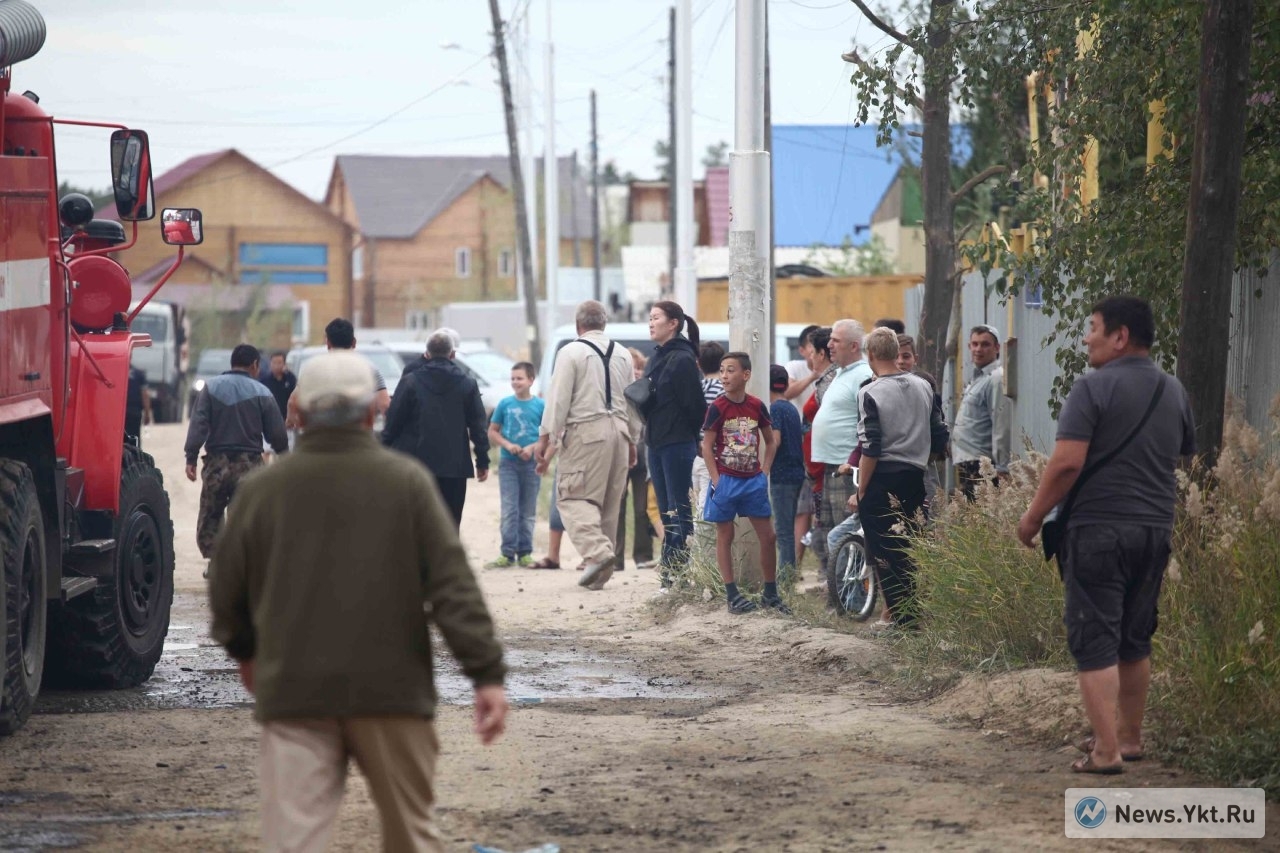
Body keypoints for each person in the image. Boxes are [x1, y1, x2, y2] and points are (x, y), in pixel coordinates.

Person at [208, 351, 508, 852]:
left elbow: (226, 586)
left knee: (295, 840)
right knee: (412, 836)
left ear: (297, 412)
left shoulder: (262, 490)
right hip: (391, 692)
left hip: (293, 693)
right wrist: (486, 674)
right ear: (373, 413)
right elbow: (453, 587)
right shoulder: (406, 483)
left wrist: (246, 650)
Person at [1017, 296, 1195, 775]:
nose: (1086, 336)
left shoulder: (1091, 388)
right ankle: (1130, 740)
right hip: (1155, 528)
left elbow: (1067, 462)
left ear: (1119, 336)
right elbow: (1180, 455)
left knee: (1094, 639)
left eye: (1092, 327)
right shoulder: (1173, 390)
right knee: (1134, 639)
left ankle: (1105, 751)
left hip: (1098, 530)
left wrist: (1033, 518)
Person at [536, 300, 640, 591]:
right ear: (603, 323)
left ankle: (598, 553)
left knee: (573, 497)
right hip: (619, 432)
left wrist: (546, 438)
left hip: (585, 432)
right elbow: (631, 400)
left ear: (578, 325)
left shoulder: (570, 352)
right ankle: (599, 576)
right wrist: (632, 439)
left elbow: (558, 400)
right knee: (608, 503)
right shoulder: (622, 353)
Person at [853, 327, 949, 627]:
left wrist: (861, 490)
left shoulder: (869, 392)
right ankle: (913, 612)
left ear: (870, 355)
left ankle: (900, 617)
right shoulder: (923, 386)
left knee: (884, 549)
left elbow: (871, 446)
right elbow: (939, 432)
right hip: (916, 475)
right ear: (897, 353)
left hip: (883, 475)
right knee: (911, 545)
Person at [184, 344, 288, 565]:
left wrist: (191, 457)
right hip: (249, 466)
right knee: (247, 516)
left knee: (211, 516)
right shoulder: (262, 392)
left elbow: (198, 425)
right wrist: (284, 455)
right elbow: (277, 433)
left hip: (216, 464)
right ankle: (244, 563)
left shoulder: (210, 389)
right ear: (254, 365)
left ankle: (216, 562)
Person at [700, 352, 786, 615]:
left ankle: (770, 592)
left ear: (746, 375)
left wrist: (765, 471)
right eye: (722, 370)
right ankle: (732, 594)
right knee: (725, 535)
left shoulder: (757, 406)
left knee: (768, 536)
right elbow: (707, 446)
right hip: (727, 481)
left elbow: (771, 441)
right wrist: (717, 480)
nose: (724, 376)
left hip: (752, 481)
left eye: (731, 370)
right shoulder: (717, 407)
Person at [382, 331, 489, 527]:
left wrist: (383, 454)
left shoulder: (411, 381)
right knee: (450, 524)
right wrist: (482, 460)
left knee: (415, 523)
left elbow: (393, 422)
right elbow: (478, 425)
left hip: (416, 465)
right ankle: (445, 558)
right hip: (454, 466)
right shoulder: (467, 384)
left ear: (427, 353)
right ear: (452, 354)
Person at [641, 300, 707, 583]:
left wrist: (695, 438)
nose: (651, 322)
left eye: (656, 318)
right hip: (655, 441)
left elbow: (695, 406)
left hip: (677, 442)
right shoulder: (658, 355)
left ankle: (677, 573)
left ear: (673, 324)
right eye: (650, 318)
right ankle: (671, 573)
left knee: (679, 509)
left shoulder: (682, 359)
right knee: (666, 509)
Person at [809, 319, 874, 595]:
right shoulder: (841, 373)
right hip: (832, 464)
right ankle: (841, 593)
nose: (829, 344)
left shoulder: (862, 375)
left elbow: (867, 422)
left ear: (854, 345)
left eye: (835, 340)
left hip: (848, 466)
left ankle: (853, 596)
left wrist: (854, 460)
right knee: (832, 532)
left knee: (846, 533)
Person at [485, 362, 545, 568]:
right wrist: (508, 445)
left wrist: (533, 447)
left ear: (531, 380)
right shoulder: (505, 404)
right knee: (510, 508)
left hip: (531, 464)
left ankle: (525, 551)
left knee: (527, 510)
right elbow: (492, 431)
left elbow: (549, 435)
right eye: (512, 378)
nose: (515, 382)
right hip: (508, 463)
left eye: (519, 378)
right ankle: (507, 552)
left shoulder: (540, 406)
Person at [285, 318, 390, 429]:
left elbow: (292, 402)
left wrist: (290, 423)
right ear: (354, 342)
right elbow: (385, 404)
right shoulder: (369, 369)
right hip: (357, 438)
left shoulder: (314, 369)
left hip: (322, 437)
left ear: (328, 343)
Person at [951, 324, 1013, 500]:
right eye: (975, 344)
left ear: (997, 348)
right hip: (968, 461)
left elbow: (1001, 423)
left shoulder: (996, 378)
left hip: (982, 464)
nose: (978, 349)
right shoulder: (978, 378)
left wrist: (1002, 467)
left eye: (985, 344)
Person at [797, 327, 836, 568]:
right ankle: (828, 578)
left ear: (821, 354)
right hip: (816, 468)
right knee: (822, 525)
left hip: (825, 467)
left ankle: (832, 580)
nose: (809, 356)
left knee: (827, 528)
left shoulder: (831, 382)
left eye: (812, 352)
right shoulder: (822, 381)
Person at [613, 348, 655, 572]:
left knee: (642, 508)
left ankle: (643, 555)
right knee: (617, 507)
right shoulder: (617, 394)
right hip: (620, 455)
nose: (637, 372)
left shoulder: (648, 392)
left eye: (640, 368)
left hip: (644, 458)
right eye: (633, 368)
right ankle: (615, 558)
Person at [768, 364, 805, 576]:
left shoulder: (774, 409)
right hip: (796, 473)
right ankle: (789, 572)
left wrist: (764, 465)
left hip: (781, 475)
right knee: (787, 528)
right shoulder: (790, 407)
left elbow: (775, 440)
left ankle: (786, 576)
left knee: (782, 530)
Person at [691, 340, 726, 523]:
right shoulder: (723, 391)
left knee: (696, 506)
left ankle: (698, 550)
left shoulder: (695, 389)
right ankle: (705, 551)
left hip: (696, 453)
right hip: (713, 456)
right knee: (706, 511)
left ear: (698, 363)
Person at [783, 324, 822, 413]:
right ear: (801, 351)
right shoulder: (793, 366)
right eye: (812, 345)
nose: (817, 349)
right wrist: (812, 377)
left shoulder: (834, 370)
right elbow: (785, 393)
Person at [258, 350, 296, 422]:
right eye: (274, 363)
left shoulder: (290, 378)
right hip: (270, 419)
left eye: (279, 363)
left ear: (284, 364)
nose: (276, 366)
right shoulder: (264, 381)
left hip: (287, 418)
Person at [125, 364, 152, 443]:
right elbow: (145, 395)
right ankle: (134, 454)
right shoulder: (139, 374)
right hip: (135, 412)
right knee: (134, 438)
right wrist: (147, 414)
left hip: (119, 414)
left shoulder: (116, 372)